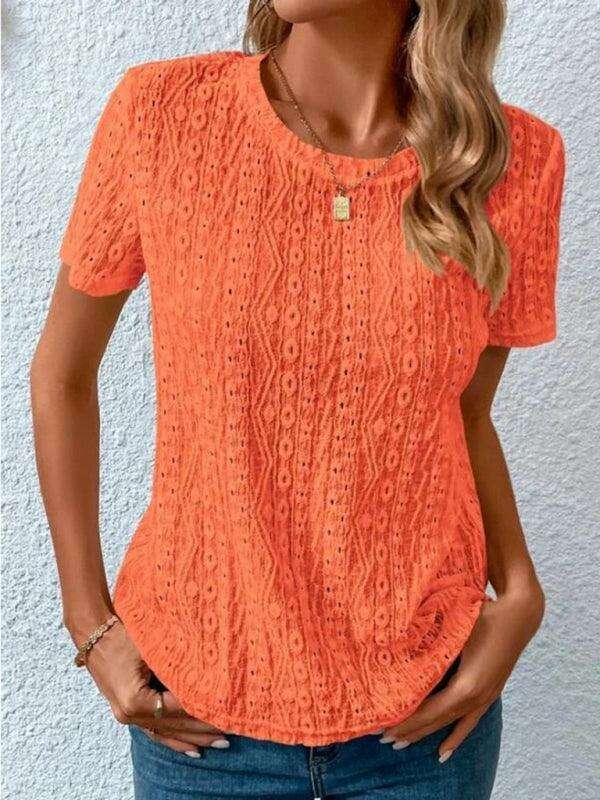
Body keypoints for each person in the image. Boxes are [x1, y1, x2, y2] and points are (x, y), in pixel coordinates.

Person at [30, 1, 566, 798]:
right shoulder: (163, 116)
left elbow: (463, 413)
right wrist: (88, 620)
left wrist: (520, 592)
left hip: (423, 725)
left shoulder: (505, 160)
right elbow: (62, 376)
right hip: (202, 728)